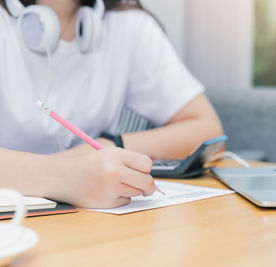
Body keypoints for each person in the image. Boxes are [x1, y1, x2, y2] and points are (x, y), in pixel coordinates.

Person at [0, 0, 223, 208]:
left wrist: (109, 144)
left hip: (89, 221)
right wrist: (65, 173)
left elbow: (208, 130)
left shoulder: (128, 24)